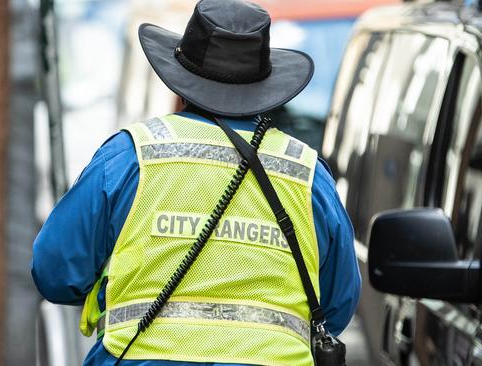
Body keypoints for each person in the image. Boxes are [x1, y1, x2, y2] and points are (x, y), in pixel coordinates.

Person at [31, 0, 360, 365]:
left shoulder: (131, 156)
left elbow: (55, 274)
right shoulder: (307, 174)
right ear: (265, 88)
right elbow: (336, 306)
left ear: (180, 84)